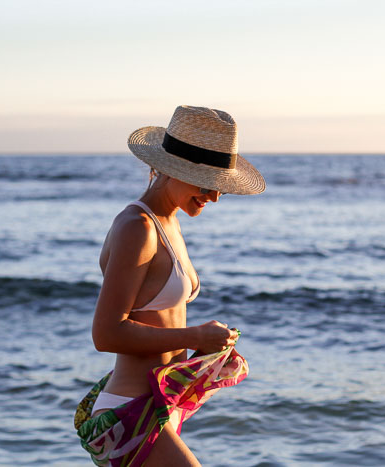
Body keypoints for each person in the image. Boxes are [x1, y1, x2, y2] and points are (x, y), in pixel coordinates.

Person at [74, 105, 265, 466]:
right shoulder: (138, 227)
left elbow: (159, 319)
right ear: (170, 169)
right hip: (130, 413)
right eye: (206, 183)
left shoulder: (168, 222)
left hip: (159, 406)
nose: (214, 196)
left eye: (220, 186)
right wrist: (194, 338)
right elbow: (106, 334)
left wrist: (207, 351)